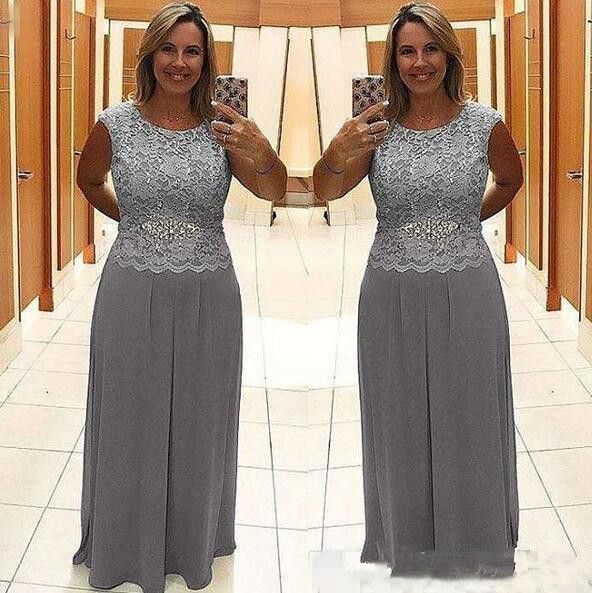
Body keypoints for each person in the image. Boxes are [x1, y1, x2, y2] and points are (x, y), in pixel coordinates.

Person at [72, 3, 286, 592]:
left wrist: (260, 148)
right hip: (131, 287)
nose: (180, 62)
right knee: (129, 414)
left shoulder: (224, 127)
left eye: (193, 51)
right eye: (168, 48)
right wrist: (137, 224)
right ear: (149, 55)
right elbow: (89, 180)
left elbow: (273, 188)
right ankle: (123, 541)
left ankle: (191, 539)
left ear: (206, 60)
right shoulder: (115, 123)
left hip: (208, 292)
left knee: (199, 417)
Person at [313, 1, 522, 579]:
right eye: (407, 51)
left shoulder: (484, 123)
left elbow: (510, 179)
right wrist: (340, 148)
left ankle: (475, 541)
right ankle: (407, 541)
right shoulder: (374, 127)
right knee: (399, 413)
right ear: (393, 59)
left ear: (450, 55)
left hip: (467, 286)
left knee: (469, 412)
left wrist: (460, 224)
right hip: (392, 290)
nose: (420, 62)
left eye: (431, 49)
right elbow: (326, 189)